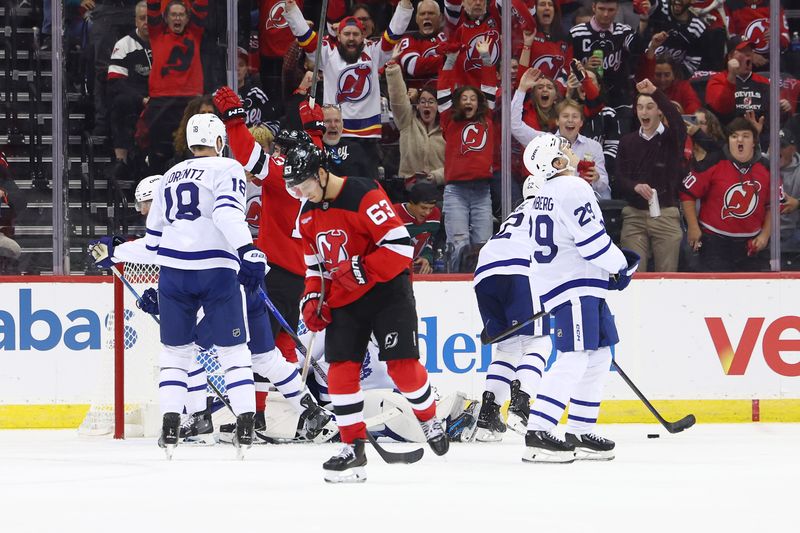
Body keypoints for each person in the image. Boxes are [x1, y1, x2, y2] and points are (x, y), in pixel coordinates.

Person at [90, 114, 261, 458]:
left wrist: (116, 251)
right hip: (216, 269)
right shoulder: (227, 167)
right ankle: (245, 423)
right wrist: (249, 251)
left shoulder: (168, 176)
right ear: (218, 141)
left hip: (173, 272)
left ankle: (171, 423)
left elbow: (153, 244)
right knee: (233, 352)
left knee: (175, 354)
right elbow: (228, 215)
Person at [282, 140, 449, 483]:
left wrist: (359, 269)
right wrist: (311, 300)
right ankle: (352, 448)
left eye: (304, 184)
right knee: (341, 371)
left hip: (387, 289)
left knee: (402, 368)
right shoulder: (307, 213)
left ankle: (428, 417)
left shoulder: (364, 194)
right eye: (294, 187)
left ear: (321, 173)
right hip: (346, 297)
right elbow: (315, 269)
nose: (300, 192)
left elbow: (400, 247)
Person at [520, 133, 638, 463]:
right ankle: (539, 430)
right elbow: (591, 242)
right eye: (564, 149)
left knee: (599, 355)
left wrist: (608, 271)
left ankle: (579, 429)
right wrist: (621, 266)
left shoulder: (544, 194)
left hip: (579, 283)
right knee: (575, 356)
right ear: (557, 163)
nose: (570, 150)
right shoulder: (572, 188)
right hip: (574, 287)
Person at [472, 174, 553, 442]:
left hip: (484, 270)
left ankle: (488, 415)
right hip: (519, 267)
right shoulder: (548, 208)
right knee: (539, 341)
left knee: (508, 346)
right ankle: (521, 404)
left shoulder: (516, 213)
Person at [283, 0, 413, 145]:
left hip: (368, 134)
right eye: (347, 34)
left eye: (355, 34)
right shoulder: (327, 52)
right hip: (335, 133)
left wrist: (404, 7)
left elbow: (392, 35)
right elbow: (307, 39)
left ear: (363, 35)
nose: (351, 38)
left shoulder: (374, 51)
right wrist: (292, 10)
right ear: (339, 36)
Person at [680, 117, 774, 272]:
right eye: (734, 136)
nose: (739, 140)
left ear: (754, 141)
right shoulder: (713, 162)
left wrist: (765, 235)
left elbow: (774, 205)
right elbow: (687, 193)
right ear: (728, 140)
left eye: (745, 136)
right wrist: (693, 227)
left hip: (751, 245)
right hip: (715, 244)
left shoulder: (767, 168)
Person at [437, 37, 497, 272]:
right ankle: (454, 286)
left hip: (482, 191)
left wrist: (485, 57)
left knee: (484, 244)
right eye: (465, 98)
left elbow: (490, 85)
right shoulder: (449, 121)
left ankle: (482, 282)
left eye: (473, 98)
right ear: (457, 104)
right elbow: (443, 88)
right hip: (456, 192)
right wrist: (451, 58)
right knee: (458, 244)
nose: (470, 101)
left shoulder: (486, 118)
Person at [614, 79, 686, 272]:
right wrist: (634, 187)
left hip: (666, 214)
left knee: (667, 277)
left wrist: (656, 92)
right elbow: (619, 179)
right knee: (633, 277)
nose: (644, 112)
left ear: (659, 110)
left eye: (650, 107)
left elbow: (679, 123)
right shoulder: (627, 142)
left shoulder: (672, 138)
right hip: (634, 216)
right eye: (640, 107)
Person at [512, 69, 610, 199]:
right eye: (565, 116)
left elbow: (604, 186)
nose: (570, 120)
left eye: (575, 116)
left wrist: (597, 178)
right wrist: (521, 89)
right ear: (557, 121)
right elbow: (514, 125)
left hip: (584, 206)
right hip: (555, 206)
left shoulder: (593, 146)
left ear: (581, 122)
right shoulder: (545, 142)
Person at [144, 0, 208, 173]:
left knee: (191, 149)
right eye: (173, 14)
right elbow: (152, 6)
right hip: (161, 100)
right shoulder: (156, 33)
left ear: (188, 18)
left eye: (181, 14)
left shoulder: (195, 32)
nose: (177, 18)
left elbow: (201, 6)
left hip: (190, 100)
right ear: (166, 18)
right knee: (159, 150)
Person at [570, 0, 647, 108]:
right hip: (587, 99)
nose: (606, 14)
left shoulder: (623, 31)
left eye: (610, 10)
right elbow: (567, 66)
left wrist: (643, 19)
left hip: (619, 99)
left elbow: (637, 48)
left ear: (617, 10)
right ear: (594, 7)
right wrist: (584, 68)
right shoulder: (576, 33)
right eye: (602, 9)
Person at [107, 1, 151, 180]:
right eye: (142, 18)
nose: (146, 22)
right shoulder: (124, 44)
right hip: (135, 97)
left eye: (150, 18)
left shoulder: (165, 42)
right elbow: (115, 81)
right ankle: (121, 159)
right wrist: (141, 99)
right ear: (135, 21)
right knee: (119, 102)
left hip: (161, 97)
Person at [385, 56, 444, 188]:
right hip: (409, 190)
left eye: (431, 102)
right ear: (417, 106)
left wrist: (436, 176)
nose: (426, 105)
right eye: (422, 102)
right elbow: (398, 97)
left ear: (438, 106)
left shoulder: (447, 129)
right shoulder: (407, 122)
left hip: (440, 189)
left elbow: (453, 165)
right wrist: (393, 67)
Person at [393, 181, 442, 275]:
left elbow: (432, 240)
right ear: (411, 203)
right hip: (395, 271)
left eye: (431, 208)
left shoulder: (435, 214)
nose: (428, 212)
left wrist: (427, 258)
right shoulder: (393, 214)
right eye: (423, 208)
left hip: (419, 270)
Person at [397, 0, 445, 88]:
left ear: (440, 17)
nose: (426, 17)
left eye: (431, 13)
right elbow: (412, 65)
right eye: (422, 14)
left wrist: (425, 61)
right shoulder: (409, 40)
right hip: (419, 95)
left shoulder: (448, 37)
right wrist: (447, 59)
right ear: (416, 19)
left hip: (447, 91)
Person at [320, 104, 376, 180]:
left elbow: (370, 182)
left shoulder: (355, 149)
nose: (333, 125)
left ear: (342, 124)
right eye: (327, 121)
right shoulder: (314, 150)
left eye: (337, 121)